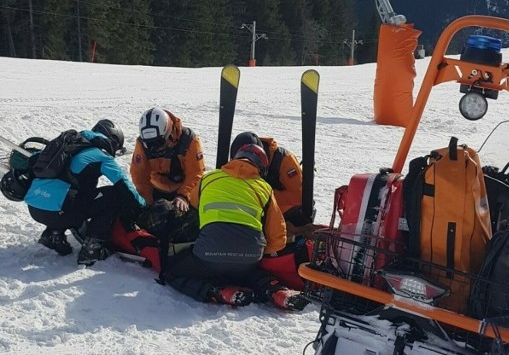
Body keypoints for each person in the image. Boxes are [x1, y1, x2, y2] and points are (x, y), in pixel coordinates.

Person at [161, 142, 309, 311]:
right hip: (249, 256)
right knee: (246, 272)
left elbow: (194, 208)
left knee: (171, 269)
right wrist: (260, 251)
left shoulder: (209, 178)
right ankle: (276, 291)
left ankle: (216, 291)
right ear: (261, 168)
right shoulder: (265, 188)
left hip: (209, 253)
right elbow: (278, 237)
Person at [24, 120, 146, 266]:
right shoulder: (101, 155)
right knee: (113, 194)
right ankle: (92, 250)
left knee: (71, 190)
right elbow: (124, 185)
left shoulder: (67, 145)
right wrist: (143, 208)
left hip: (34, 207)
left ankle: (53, 235)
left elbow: (34, 160)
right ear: (113, 140)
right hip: (59, 212)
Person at [230, 132, 315, 237]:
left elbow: (299, 196)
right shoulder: (239, 159)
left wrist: (265, 196)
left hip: (283, 210)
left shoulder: (285, 160)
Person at [130, 108, 204, 226]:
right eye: (150, 144)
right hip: (155, 190)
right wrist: (146, 200)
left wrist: (183, 196)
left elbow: (195, 173)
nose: (155, 148)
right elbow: (139, 175)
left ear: (169, 133)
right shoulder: (142, 145)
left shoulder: (189, 140)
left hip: (184, 189)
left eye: (158, 143)